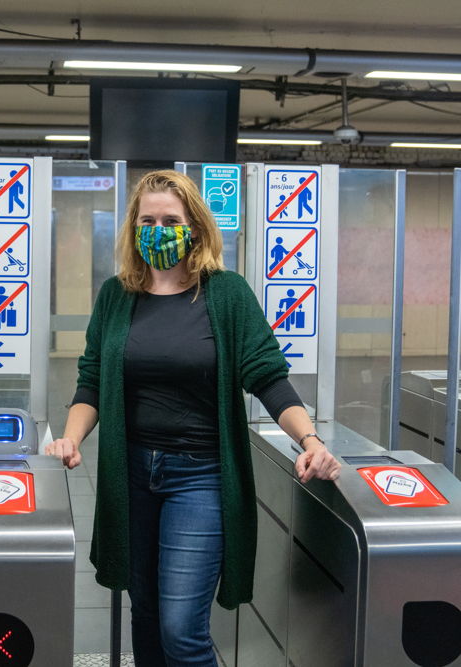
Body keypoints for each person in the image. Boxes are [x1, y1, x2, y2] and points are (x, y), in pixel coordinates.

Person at [44, 170, 340, 667]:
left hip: (200, 476)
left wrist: (309, 438)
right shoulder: (117, 296)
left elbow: (267, 376)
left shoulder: (226, 295)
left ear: (195, 229)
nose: (157, 230)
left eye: (170, 220)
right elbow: (91, 381)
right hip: (131, 475)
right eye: (147, 220)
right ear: (134, 229)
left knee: (181, 629)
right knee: (145, 616)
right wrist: (70, 439)